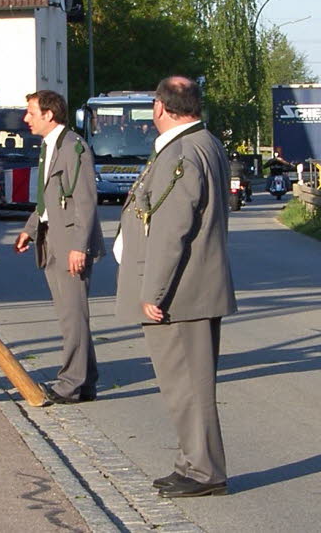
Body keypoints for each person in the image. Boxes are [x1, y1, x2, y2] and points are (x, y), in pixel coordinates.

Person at [114, 77, 236, 498]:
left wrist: (154, 290)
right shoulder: (204, 142)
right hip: (191, 287)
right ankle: (191, 462)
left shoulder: (182, 150)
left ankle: (204, 472)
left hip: (182, 291)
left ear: (161, 107)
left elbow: (171, 229)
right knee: (184, 385)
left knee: (188, 386)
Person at [14, 90, 104, 404]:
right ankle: (86, 382)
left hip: (70, 243)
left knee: (72, 316)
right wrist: (30, 228)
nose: (26, 118)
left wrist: (79, 246)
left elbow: (85, 200)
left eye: (30, 112)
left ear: (49, 115)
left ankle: (70, 384)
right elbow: (49, 198)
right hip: (52, 237)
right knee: (71, 314)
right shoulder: (50, 145)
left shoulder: (73, 147)